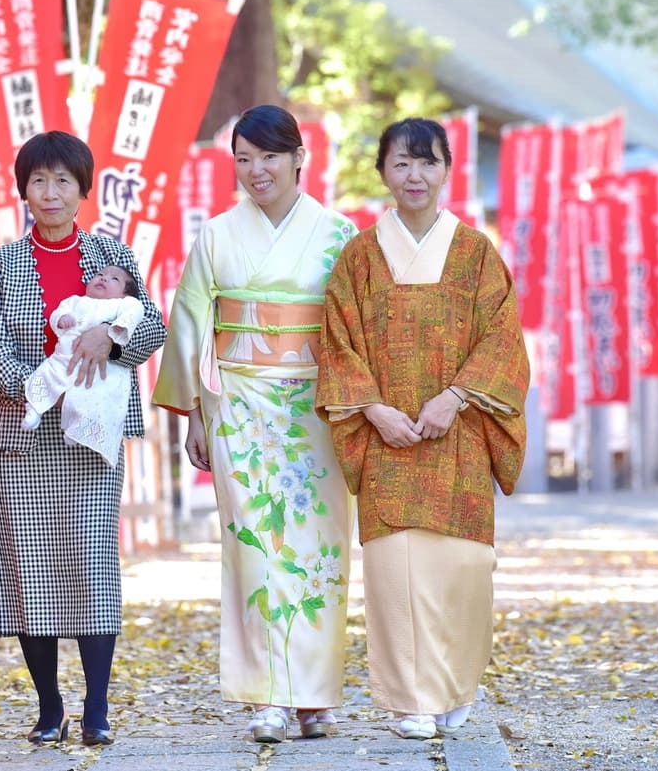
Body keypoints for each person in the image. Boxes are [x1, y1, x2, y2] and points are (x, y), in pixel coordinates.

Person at [316, 116, 529, 741]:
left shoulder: (475, 253)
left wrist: (456, 396)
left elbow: (504, 340)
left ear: (446, 168)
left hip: (456, 431)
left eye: (427, 162)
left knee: (462, 569)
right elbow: (336, 344)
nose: (414, 175)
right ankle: (412, 699)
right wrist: (374, 409)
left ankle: (456, 684)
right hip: (385, 435)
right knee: (395, 574)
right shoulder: (358, 255)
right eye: (401, 163)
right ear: (382, 171)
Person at [152, 105, 358, 744]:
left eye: (269, 156)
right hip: (237, 403)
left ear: (300, 158)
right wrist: (191, 412)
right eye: (243, 159)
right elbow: (188, 322)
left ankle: (316, 693)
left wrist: (361, 408)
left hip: (316, 406)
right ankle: (268, 695)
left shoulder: (340, 234)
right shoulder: (216, 235)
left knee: (318, 552)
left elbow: (357, 330)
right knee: (255, 550)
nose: (256, 170)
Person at [0, 131, 166, 747]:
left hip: (93, 437)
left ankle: (98, 708)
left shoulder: (113, 256)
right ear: (23, 189)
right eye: (37, 181)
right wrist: (39, 390)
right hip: (21, 433)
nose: (49, 193)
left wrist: (111, 341)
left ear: (84, 190)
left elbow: (152, 323)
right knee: (31, 570)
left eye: (62, 181)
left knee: (91, 566)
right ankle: (49, 705)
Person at [21, 264, 147, 465]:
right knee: (45, 375)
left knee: (96, 398)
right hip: (64, 359)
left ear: (125, 295)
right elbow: (57, 313)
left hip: (96, 371)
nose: (104, 278)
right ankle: (34, 409)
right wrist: (62, 319)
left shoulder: (120, 306)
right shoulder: (75, 301)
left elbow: (138, 311)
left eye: (114, 279)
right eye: (100, 274)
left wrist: (111, 332)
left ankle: (79, 429)